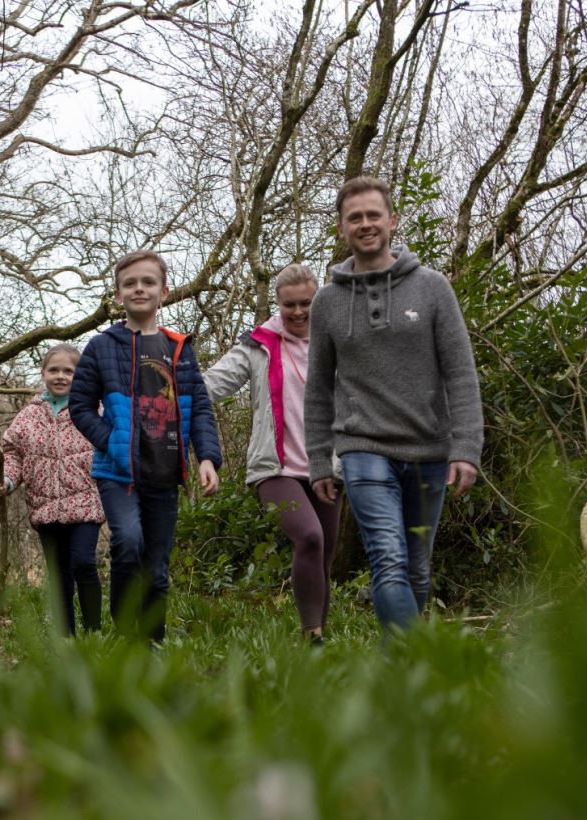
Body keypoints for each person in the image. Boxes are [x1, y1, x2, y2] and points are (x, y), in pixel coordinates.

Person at [304, 176, 483, 633]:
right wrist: (321, 460)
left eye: (373, 215)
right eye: (354, 217)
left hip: (428, 449)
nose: (365, 224)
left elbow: (460, 372)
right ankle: (408, 667)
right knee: (388, 556)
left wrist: (466, 448)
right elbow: (319, 387)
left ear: (392, 221)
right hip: (363, 447)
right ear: (342, 228)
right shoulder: (326, 302)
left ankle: (401, 669)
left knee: (417, 569)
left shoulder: (432, 287)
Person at [70, 250, 223, 643]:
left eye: (148, 282)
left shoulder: (179, 348)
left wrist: (206, 457)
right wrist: (112, 442)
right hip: (118, 472)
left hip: (164, 473)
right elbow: (81, 406)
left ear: (164, 291)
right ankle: (124, 637)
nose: (139, 288)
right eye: (130, 283)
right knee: (128, 541)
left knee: (156, 567)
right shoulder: (101, 347)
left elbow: (200, 408)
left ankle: (152, 643)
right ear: (118, 294)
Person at [204, 264, 341, 645]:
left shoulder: (334, 340)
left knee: (324, 554)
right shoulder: (259, 344)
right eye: (289, 305)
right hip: (275, 468)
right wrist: (167, 384)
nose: (298, 312)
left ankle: (317, 642)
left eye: (306, 304)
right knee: (310, 538)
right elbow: (214, 383)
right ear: (276, 304)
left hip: (326, 466)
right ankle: (311, 633)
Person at [0, 344, 105, 635]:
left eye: (69, 371)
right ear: (43, 373)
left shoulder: (93, 409)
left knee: (83, 562)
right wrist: (7, 480)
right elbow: (12, 453)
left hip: (85, 503)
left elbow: (112, 444)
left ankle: (94, 632)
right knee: (59, 576)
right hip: (44, 508)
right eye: (54, 370)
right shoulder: (28, 416)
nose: (61, 376)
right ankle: (66, 637)